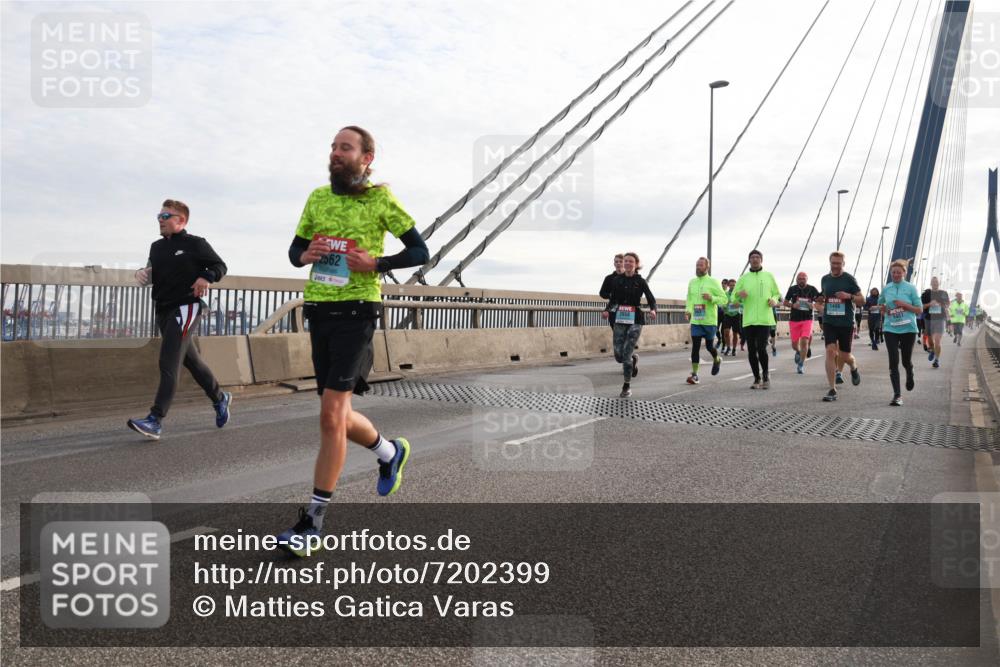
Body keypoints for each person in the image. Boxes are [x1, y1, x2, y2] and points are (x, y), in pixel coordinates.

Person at [278, 126, 430, 557]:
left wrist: (376, 263)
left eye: (345, 147)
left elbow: (420, 252)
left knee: (330, 416)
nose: (335, 152)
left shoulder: (380, 200)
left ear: (366, 158)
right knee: (338, 415)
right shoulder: (317, 198)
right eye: (333, 146)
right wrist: (304, 256)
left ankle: (312, 523)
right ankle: (389, 451)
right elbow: (294, 251)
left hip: (357, 312)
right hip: (319, 310)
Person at [127, 199, 232, 440]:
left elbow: (220, 265)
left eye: (166, 216)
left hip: (186, 307)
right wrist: (141, 273)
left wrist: (206, 277)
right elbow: (151, 272)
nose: (160, 220)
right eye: (159, 216)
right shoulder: (156, 247)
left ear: (181, 220)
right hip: (163, 310)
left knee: (168, 361)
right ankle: (220, 398)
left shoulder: (195, 244)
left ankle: (155, 419)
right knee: (191, 362)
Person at [607, 252, 657, 397]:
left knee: (626, 353)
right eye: (626, 261)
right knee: (619, 355)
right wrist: (607, 310)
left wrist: (653, 310)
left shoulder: (640, 281)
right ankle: (633, 359)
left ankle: (626, 385)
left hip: (635, 319)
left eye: (631, 261)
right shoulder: (617, 280)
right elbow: (613, 300)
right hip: (620, 319)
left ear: (636, 265)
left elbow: (651, 298)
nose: (628, 263)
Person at [817, 251, 865, 402]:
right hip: (829, 321)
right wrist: (820, 302)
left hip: (845, 323)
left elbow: (862, 300)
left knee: (845, 356)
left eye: (838, 263)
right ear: (830, 262)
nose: (835, 266)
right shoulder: (825, 279)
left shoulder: (849, 279)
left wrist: (849, 296)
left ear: (843, 264)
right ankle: (832, 389)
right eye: (833, 263)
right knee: (830, 351)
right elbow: (824, 297)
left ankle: (853, 366)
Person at [732, 249, 781, 389]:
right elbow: (733, 298)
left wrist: (774, 300)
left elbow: (777, 293)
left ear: (761, 260)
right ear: (749, 260)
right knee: (752, 351)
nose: (755, 259)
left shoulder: (768, 276)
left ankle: (765, 375)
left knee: (761, 348)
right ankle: (756, 378)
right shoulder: (743, 278)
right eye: (752, 257)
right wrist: (738, 296)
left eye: (757, 257)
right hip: (749, 319)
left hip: (765, 319)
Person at [878, 260, 922, 406]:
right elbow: (881, 304)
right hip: (890, 328)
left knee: (905, 361)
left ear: (904, 273)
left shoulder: (911, 288)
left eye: (898, 272)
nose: (896, 275)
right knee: (893, 361)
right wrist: (883, 308)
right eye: (893, 272)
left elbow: (919, 310)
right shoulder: (887, 288)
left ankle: (910, 371)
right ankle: (897, 395)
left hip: (908, 329)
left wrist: (904, 305)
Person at [684, 257, 727, 384]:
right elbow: (690, 298)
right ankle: (695, 375)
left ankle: (717, 359)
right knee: (695, 347)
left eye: (701, 265)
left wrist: (712, 298)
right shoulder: (692, 282)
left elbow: (724, 299)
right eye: (697, 265)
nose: (698, 267)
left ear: (707, 267)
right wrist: (688, 311)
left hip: (709, 321)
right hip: (696, 320)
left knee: (709, 346)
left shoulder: (713, 282)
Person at [783, 271, 820, 374]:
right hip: (794, 320)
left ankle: (801, 365)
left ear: (807, 279)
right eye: (799, 279)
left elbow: (820, 301)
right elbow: (785, 302)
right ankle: (798, 351)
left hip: (807, 319)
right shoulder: (792, 289)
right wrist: (793, 305)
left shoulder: (812, 289)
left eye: (803, 279)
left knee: (804, 341)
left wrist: (813, 305)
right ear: (796, 280)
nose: (801, 280)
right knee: (794, 345)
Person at [923, 276, 950, 368]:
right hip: (929, 319)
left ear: (939, 283)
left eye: (936, 282)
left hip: (940, 318)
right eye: (933, 282)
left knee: (937, 341)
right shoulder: (926, 293)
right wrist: (930, 304)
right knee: (930, 341)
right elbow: (921, 306)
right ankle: (932, 350)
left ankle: (936, 360)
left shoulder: (943, 293)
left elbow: (948, 304)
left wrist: (940, 304)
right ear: (931, 283)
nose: (935, 283)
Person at [599, 254, 625, 327]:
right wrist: (610, 295)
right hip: (613, 309)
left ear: (625, 263)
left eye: (621, 261)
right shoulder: (609, 278)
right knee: (616, 332)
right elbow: (602, 293)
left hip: (628, 309)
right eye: (616, 262)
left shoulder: (631, 277)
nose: (618, 263)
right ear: (614, 264)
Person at [721, 279, 741, 356]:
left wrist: (739, 304)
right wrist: (724, 305)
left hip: (736, 315)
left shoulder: (738, 294)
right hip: (727, 315)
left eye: (734, 285)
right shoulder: (725, 294)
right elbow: (722, 303)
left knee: (735, 334)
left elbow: (743, 303)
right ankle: (728, 347)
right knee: (726, 332)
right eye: (731, 285)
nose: (732, 286)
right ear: (728, 285)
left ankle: (734, 349)